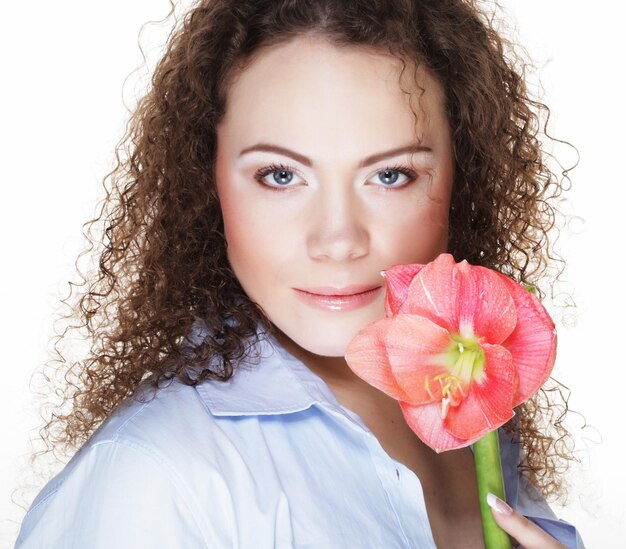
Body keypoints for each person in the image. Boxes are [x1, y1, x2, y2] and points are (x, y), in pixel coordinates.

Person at [14, 0, 586, 547]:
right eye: (281, 176)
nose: (338, 240)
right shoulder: (153, 479)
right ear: (203, 180)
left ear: (464, 176)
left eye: (390, 176)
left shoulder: (468, 398)